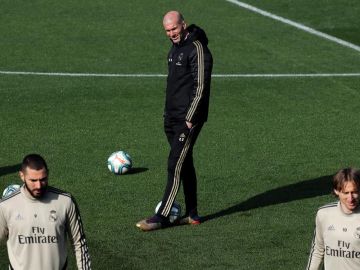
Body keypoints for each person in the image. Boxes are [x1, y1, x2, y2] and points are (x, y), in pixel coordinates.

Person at [136, 11, 213, 231]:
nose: (171, 34)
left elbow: (201, 87)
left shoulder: (197, 49)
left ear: (184, 25)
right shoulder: (175, 49)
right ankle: (192, 214)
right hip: (171, 117)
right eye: (168, 31)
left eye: (175, 29)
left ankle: (162, 215)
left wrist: (190, 119)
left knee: (174, 163)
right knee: (184, 162)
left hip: (188, 119)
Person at [0, 154, 91, 269]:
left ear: (47, 174)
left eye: (43, 179)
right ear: (22, 176)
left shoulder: (65, 201)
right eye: (33, 180)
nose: (38, 185)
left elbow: (79, 243)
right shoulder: (6, 205)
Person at [306, 168, 360, 270]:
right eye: (346, 193)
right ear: (336, 191)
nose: (350, 198)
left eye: (354, 192)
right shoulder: (324, 214)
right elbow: (318, 250)